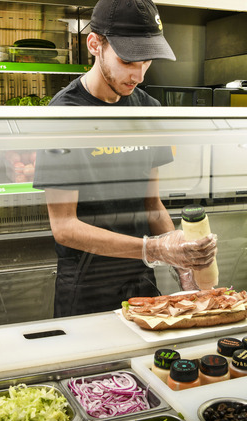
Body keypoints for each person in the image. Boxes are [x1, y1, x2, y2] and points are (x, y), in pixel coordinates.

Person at [32, 0, 217, 317]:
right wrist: (153, 249)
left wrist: (180, 258)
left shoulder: (149, 110)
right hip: (86, 287)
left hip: (140, 280)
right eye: (127, 60)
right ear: (95, 44)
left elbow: (151, 204)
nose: (139, 75)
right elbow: (64, 227)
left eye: (146, 62)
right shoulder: (64, 115)